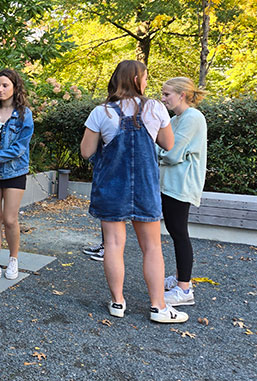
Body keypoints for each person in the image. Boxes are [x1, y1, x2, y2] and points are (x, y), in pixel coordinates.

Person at [80, 60, 188, 324]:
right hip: (145, 185)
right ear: (138, 80)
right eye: (146, 77)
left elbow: (86, 152)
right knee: (151, 246)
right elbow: (168, 144)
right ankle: (158, 307)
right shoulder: (155, 107)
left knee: (114, 245)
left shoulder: (101, 111)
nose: (148, 82)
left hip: (111, 186)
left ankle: (118, 302)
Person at [0, 69, 34, 282]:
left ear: (15, 88)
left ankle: (13, 259)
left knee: (10, 219)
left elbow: (19, 148)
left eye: (5, 86)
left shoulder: (24, 115)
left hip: (14, 171)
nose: (0, 90)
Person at [159, 77, 208, 307]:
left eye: (167, 94)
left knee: (179, 233)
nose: (163, 98)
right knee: (176, 231)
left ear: (182, 95)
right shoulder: (178, 118)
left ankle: (184, 289)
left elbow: (171, 153)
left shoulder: (192, 117)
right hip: (172, 183)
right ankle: (180, 279)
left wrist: (157, 153)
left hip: (181, 185)